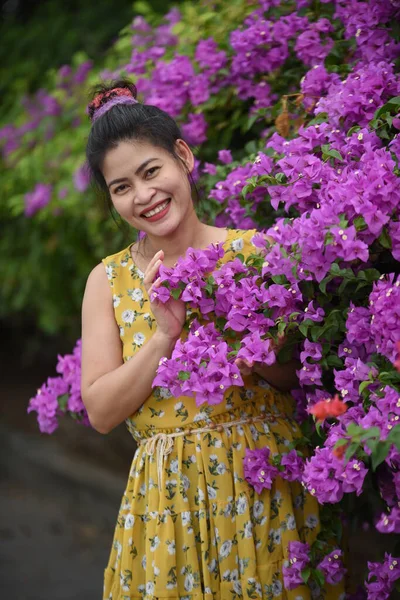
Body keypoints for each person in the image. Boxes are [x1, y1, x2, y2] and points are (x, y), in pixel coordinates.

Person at [81, 80, 346, 600]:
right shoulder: (107, 281)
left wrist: (253, 351)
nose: (144, 196)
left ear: (184, 157)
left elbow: (302, 379)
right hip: (167, 508)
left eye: (151, 171)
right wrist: (164, 336)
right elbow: (101, 411)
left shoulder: (256, 253)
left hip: (266, 494)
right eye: (121, 187)